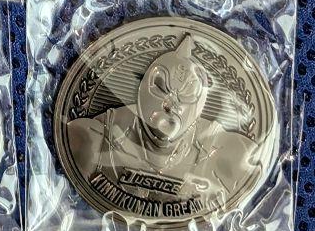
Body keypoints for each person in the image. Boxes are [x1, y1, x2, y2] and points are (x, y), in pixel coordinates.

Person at [67, 34, 260, 213]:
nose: (171, 104)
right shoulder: (93, 136)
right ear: (144, 86)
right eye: (161, 87)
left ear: (198, 105)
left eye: (186, 95)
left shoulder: (228, 151)